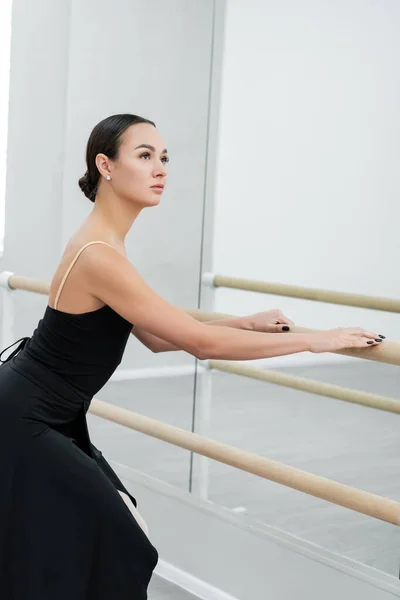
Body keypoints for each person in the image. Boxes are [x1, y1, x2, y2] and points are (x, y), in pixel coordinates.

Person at [0, 113, 384, 599]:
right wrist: (316, 340)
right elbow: (200, 344)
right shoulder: (100, 254)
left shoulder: (106, 244)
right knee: (116, 543)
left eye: (164, 158)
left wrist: (242, 322)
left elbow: (158, 336)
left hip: (45, 409)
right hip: (27, 418)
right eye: (144, 156)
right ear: (106, 166)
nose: (160, 167)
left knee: (91, 536)